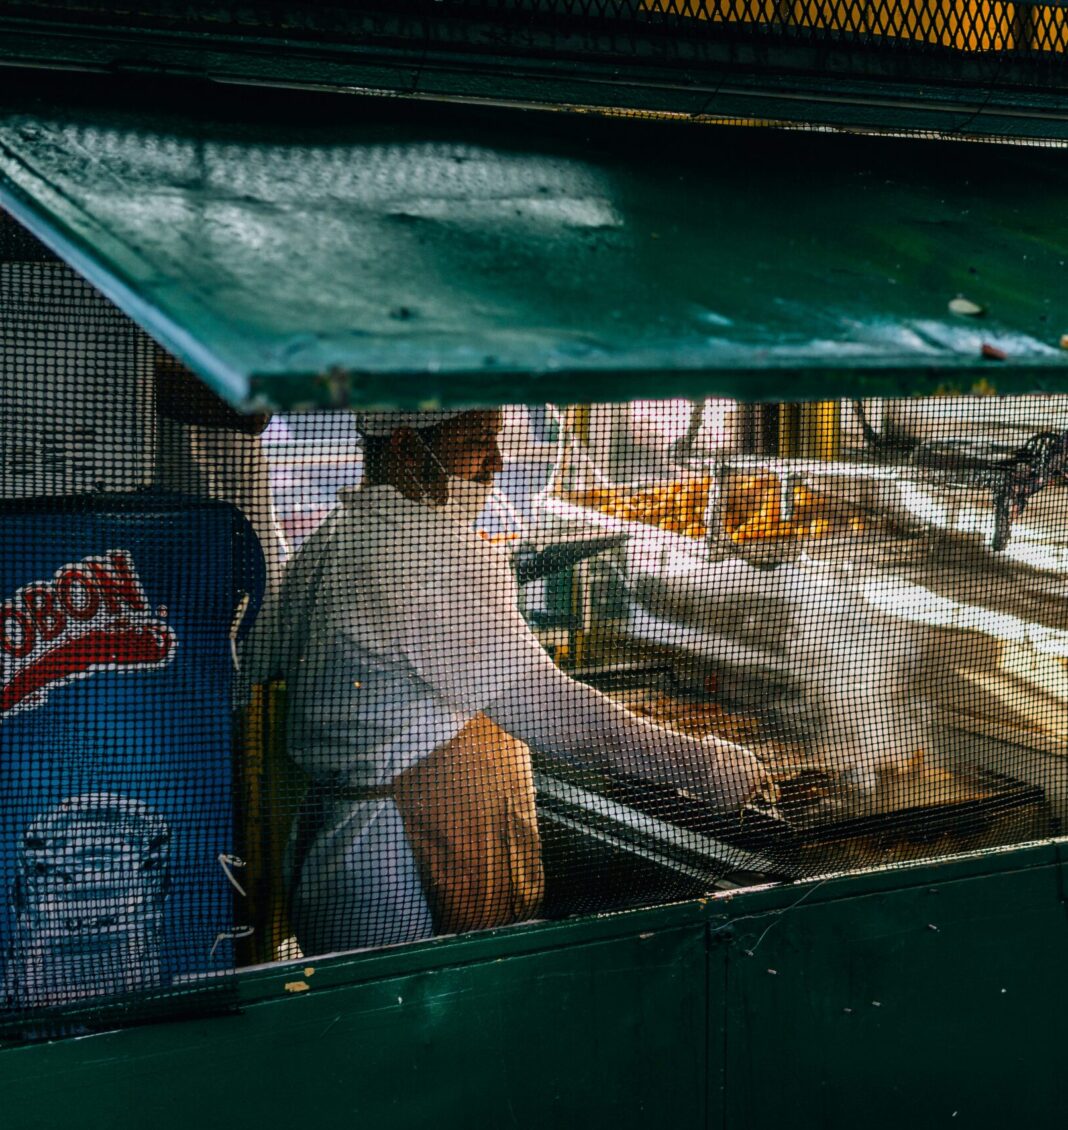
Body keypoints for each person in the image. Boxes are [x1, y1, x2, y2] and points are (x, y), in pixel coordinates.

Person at [255, 409, 770, 956]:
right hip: (402, 872)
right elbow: (559, 714)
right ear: (407, 447)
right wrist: (709, 768)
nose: (497, 463)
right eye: (478, 441)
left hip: (333, 859)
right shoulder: (432, 554)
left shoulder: (330, 540)